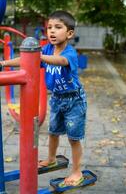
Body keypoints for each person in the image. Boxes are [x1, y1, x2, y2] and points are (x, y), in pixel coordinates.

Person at [0, 10, 87, 187]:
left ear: (69, 33)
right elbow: (25, 60)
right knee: (53, 132)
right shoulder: (46, 49)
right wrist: (4, 64)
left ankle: (77, 171)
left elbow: (61, 61)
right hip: (56, 99)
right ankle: (51, 158)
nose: (52, 31)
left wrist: (38, 57)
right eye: (49, 28)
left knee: (73, 137)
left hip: (74, 101)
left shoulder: (69, 53)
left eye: (58, 27)